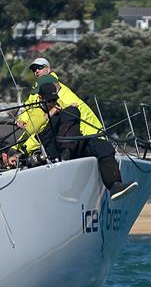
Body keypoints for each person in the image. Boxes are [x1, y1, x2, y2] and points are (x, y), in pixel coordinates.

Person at [10, 70, 138, 201]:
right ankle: (66, 163)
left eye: (55, 100)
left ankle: (115, 185)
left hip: (72, 144)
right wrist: (18, 153)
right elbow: (36, 136)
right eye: (50, 101)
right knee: (70, 114)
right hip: (54, 149)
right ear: (41, 99)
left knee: (103, 146)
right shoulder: (37, 114)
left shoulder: (66, 108)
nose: (53, 103)